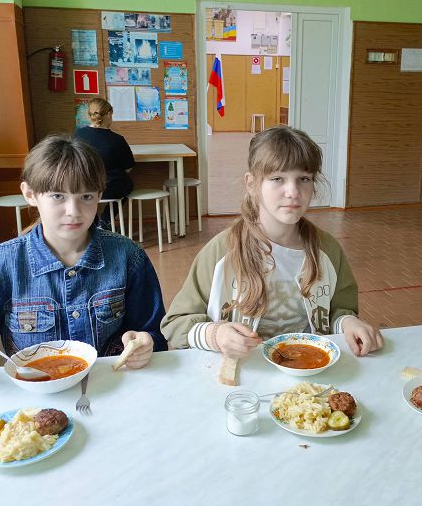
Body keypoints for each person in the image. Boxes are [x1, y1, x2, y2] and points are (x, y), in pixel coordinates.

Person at [0, 135, 166, 381]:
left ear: (100, 195)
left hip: (111, 387)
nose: (73, 211)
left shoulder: (128, 256)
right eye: (58, 196)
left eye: (86, 196)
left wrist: (147, 343)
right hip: (35, 401)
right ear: (30, 194)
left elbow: (155, 334)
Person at [161, 126, 384, 358]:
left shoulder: (328, 251)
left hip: (307, 369)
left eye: (304, 179)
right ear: (251, 184)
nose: (293, 191)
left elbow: (339, 311)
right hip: (239, 373)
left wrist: (348, 322)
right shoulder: (221, 252)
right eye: (277, 178)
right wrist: (215, 334)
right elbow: (175, 324)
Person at [74, 97, 134, 228]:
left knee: (88, 195)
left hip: (83, 187)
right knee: (127, 186)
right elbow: (128, 168)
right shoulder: (117, 140)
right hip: (110, 189)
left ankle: (93, 221)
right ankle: (106, 219)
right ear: (109, 114)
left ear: (90, 115)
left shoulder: (77, 136)